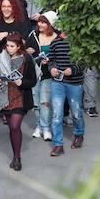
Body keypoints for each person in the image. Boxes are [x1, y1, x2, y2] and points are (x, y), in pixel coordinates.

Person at [0, 0, 31, 138]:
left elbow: (24, 40)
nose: (6, 9)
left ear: (14, 7)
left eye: (9, 6)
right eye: (3, 6)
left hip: (16, 63)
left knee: (15, 92)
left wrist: (8, 34)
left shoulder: (20, 22)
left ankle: (13, 120)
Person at [0, 32, 37, 170]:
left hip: (20, 97)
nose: (9, 48)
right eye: (7, 45)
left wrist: (21, 82)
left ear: (19, 46)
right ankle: (15, 156)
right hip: (5, 97)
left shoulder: (27, 59)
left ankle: (17, 157)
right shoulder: (2, 58)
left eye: (12, 46)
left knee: (14, 126)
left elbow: (32, 81)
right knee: (12, 130)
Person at [47, 27, 84, 156]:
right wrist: (51, 69)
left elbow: (84, 61)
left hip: (75, 83)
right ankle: (58, 144)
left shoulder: (78, 41)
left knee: (76, 112)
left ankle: (79, 134)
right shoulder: (55, 42)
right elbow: (51, 60)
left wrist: (73, 70)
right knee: (57, 114)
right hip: (58, 82)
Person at [30, 11, 58, 141]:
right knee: (36, 102)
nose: (39, 24)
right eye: (39, 21)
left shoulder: (56, 38)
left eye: (43, 22)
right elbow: (25, 52)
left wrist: (50, 61)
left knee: (45, 102)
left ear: (50, 24)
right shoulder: (33, 35)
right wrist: (28, 51)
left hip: (48, 75)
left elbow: (60, 57)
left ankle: (46, 128)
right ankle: (39, 126)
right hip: (34, 74)